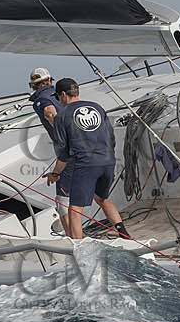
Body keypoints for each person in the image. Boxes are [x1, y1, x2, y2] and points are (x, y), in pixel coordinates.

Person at [50, 78, 127, 240]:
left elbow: (63, 152)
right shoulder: (97, 107)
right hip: (108, 161)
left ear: (63, 94)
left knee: (75, 210)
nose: (58, 100)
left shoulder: (61, 116)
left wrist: (55, 174)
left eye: (57, 97)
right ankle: (124, 235)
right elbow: (111, 138)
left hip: (86, 165)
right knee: (102, 198)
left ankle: (79, 248)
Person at [27, 67, 68, 234]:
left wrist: (62, 137)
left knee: (62, 199)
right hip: (82, 147)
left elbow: (50, 113)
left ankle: (74, 237)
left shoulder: (41, 99)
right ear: (50, 80)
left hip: (66, 149)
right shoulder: (58, 95)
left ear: (33, 85)